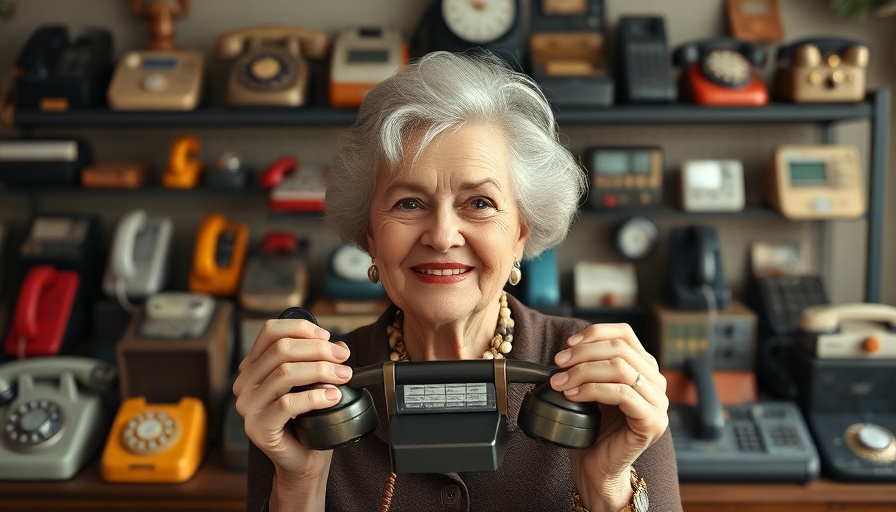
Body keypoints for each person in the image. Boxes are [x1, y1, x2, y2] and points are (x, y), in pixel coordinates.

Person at [233, 51, 682, 512]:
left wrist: (607, 487)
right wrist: (299, 484)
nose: (443, 236)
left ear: (521, 234)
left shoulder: (609, 384)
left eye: (480, 203)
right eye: (408, 203)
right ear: (370, 235)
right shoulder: (308, 395)